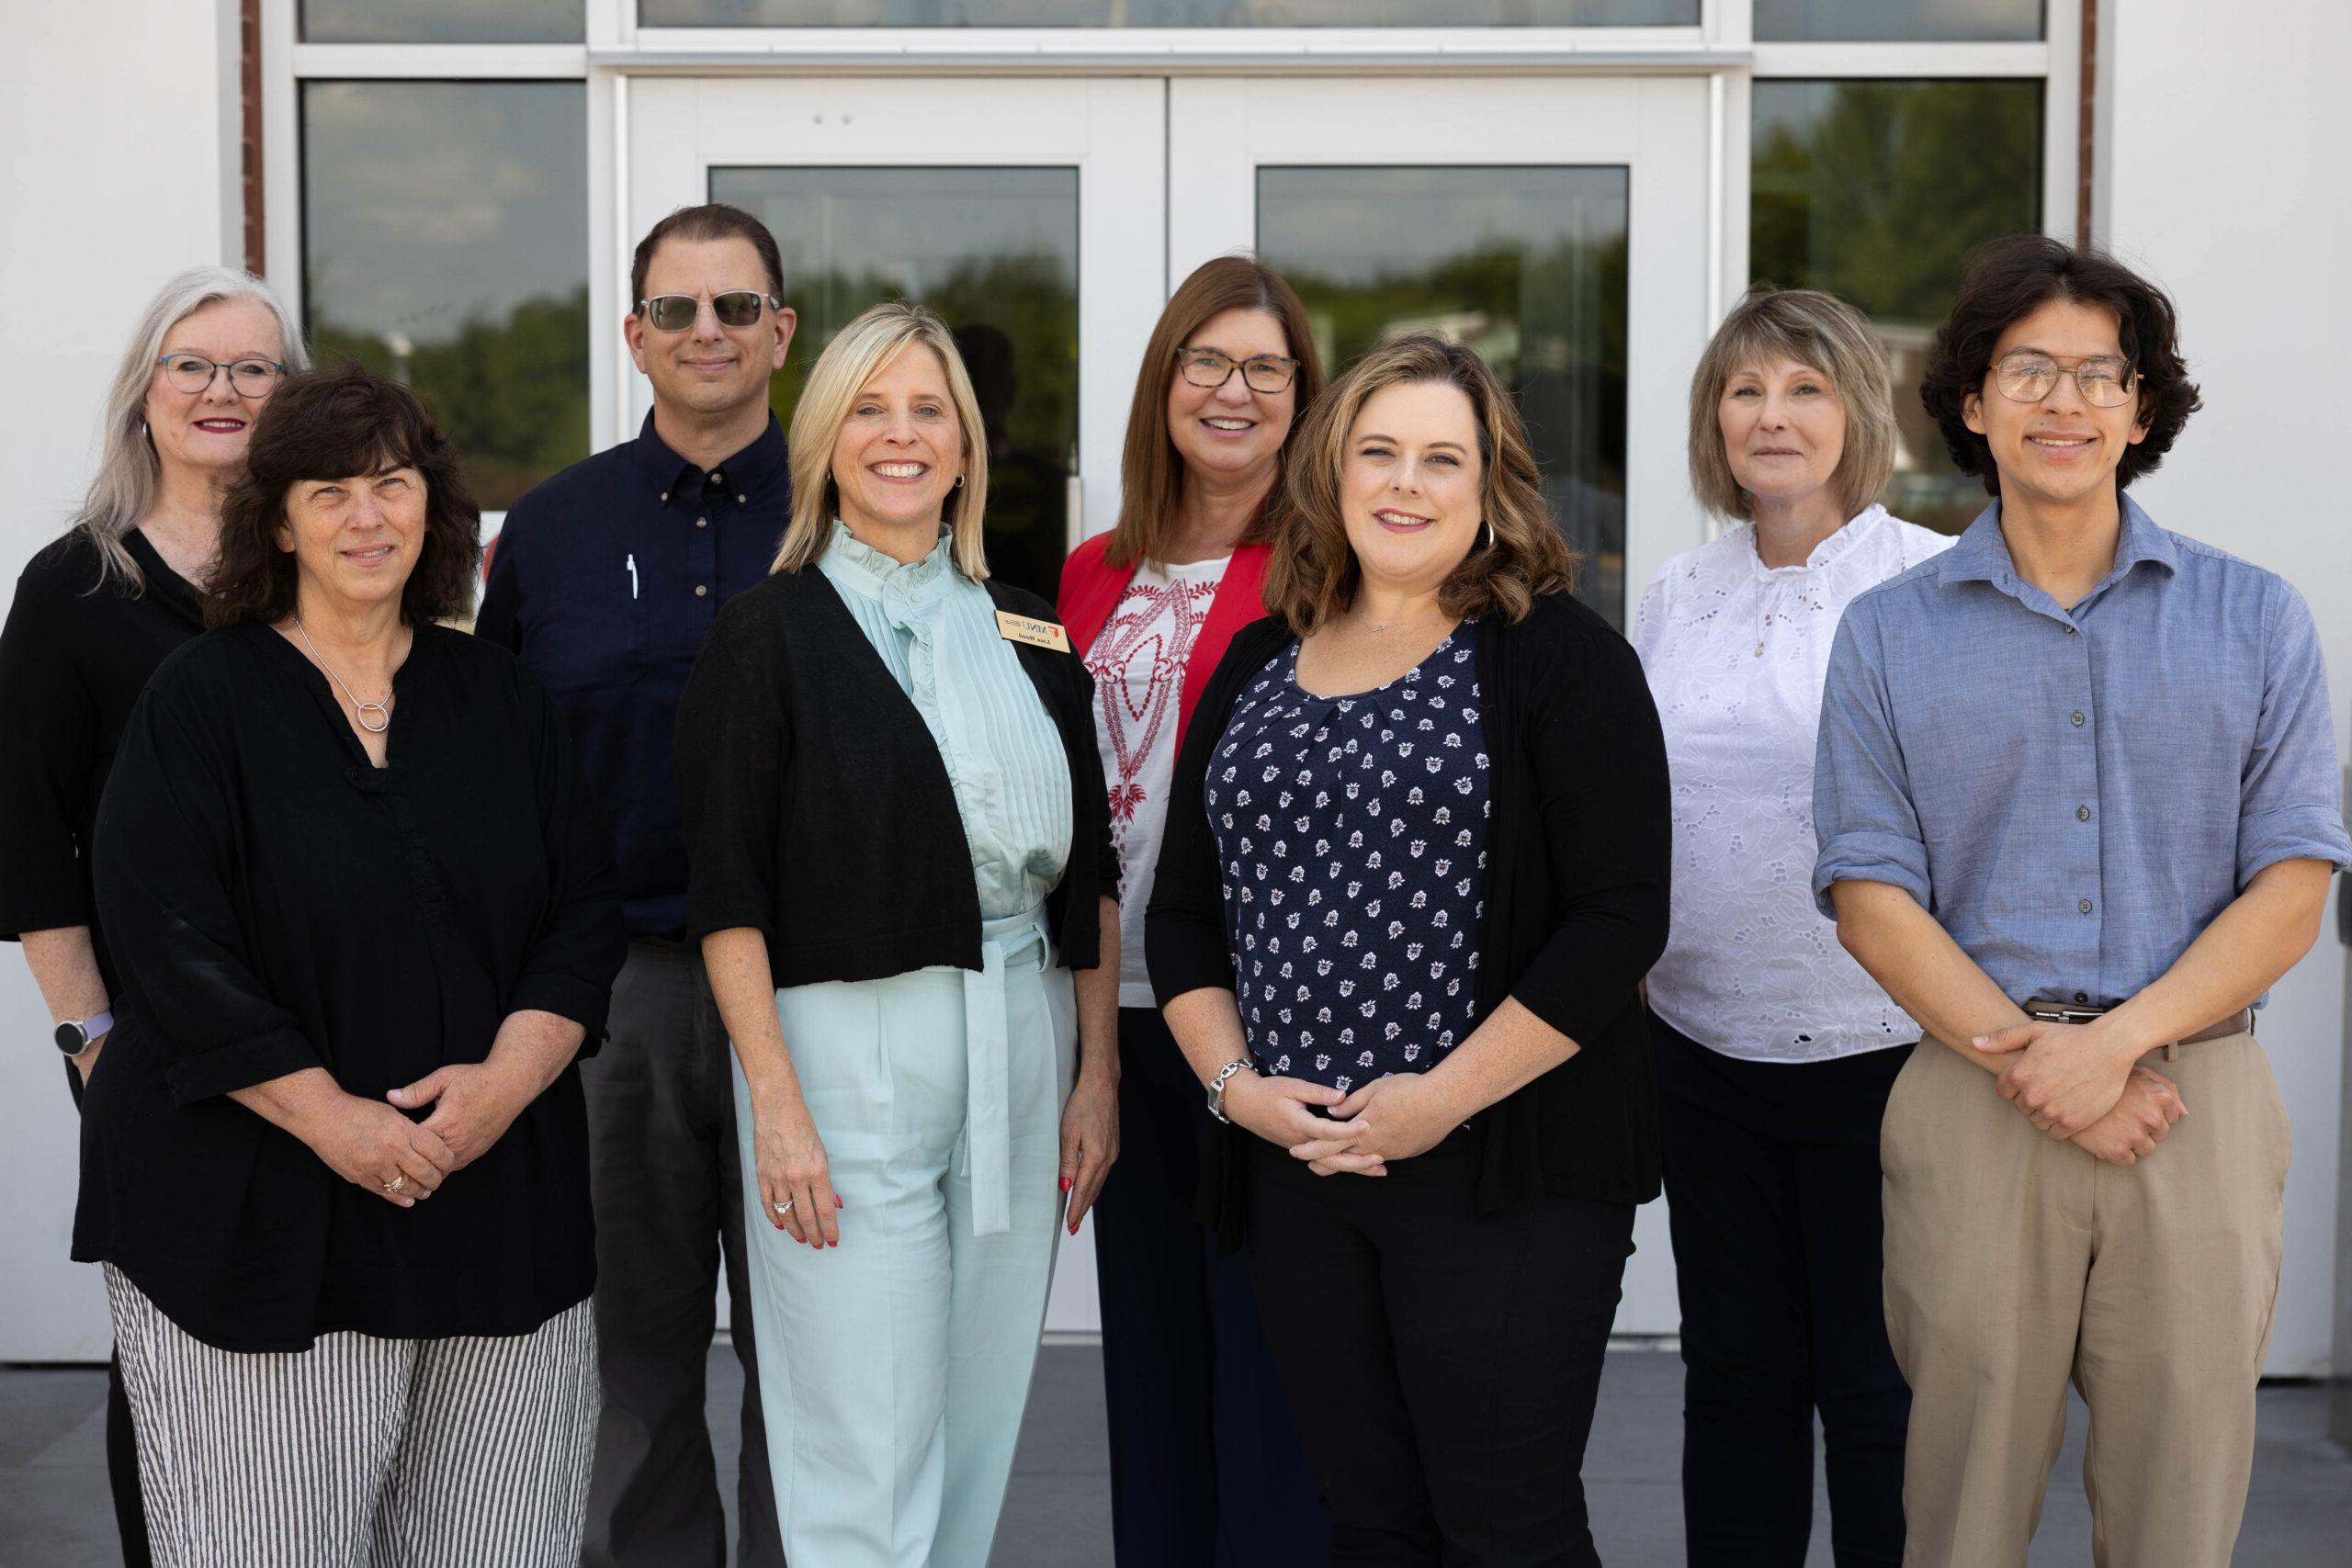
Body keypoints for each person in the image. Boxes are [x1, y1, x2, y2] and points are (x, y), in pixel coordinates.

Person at [1813, 235, 2350, 1567]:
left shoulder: (2255, 617)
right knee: (1959, 1511)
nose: (2066, 401)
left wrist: (2110, 1050)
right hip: (1972, 1100)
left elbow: (2293, 888)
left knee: (2179, 1511)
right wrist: (2042, 1060)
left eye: (2099, 374)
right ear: (1973, 404)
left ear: (2143, 407)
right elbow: (1871, 894)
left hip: (2198, 1100)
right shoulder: (1889, 631)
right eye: (2029, 370)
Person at [74, 363, 625, 1565]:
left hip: (495, 1208)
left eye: (391, 485)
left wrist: (502, 1088)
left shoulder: (499, 696)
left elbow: (585, 910)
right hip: (260, 1219)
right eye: (328, 492)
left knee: (500, 1544)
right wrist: (338, 1124)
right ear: (276, 519)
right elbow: (166, 939)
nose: (366, 517)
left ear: (436, 506)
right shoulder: (200, 699)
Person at [1148, 332, 1671, 1565]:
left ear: (1492, 486)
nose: (1405, 483)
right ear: (1330, 474)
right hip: (1301, 1167)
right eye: (1378, 452)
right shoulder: (1257, 663)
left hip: (1503, 1170)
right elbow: (1184, 914)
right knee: (1369, 1519)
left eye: (1444, 458)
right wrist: (1238, 1094)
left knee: (1507, 1523)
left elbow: (1619, 921)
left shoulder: (1562, 659)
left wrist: (1437, 1103)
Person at [676, 300, 1120, 1568]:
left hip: (1022, 1027)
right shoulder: (765, 634)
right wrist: (776, 1102)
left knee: (976, 1427)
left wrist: (1099, 1071)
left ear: (969, 446)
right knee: (861, 1435)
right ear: (823, 440)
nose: (901, 434)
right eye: (869, 407)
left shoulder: (1031, 628)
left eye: (929, 408)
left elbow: (1087, 874)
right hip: (840, 1049)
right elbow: (728, 896)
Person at [475, 201, 794, 1568]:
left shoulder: (866, 504)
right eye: (678, 309)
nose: (707, 332)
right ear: (635, 334)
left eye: (736, 308)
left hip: (821, 998)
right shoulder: (549, 530)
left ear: (782, 332)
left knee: (824, 1355)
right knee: (629, 1357)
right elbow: (493, 772)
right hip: (624, 999)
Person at [1631, 287, 1952, 1568]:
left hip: (1885, 1050)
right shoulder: (1673, 589)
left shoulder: (1928, 584)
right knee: (1737, 1383)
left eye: (1806, 388)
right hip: (1702, 1048)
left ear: (1856, 412)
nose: (1773, 415)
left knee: (1879, 1394)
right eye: (1747, 388)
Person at [0, 265, 305, 1568]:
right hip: (155, 1034)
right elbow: (26, 837)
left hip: (336, 1017)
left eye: (253, 367)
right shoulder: (74, 586)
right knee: (175, 1343)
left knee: (321, 1340)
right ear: (146, 393)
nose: (222, 390)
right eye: (193, 364)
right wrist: (91, 1040)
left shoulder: (324, 565)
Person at [1056, 254, 1330, 1567]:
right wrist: (1091, 1055)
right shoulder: (1088, 576)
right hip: (1119, 1017)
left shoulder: (1331, 570)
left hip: (1274, 1026)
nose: (1233, 391)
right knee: (1152, 1367)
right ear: (1164, 383)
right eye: (1205, 362)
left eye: (1265, 368)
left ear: (1303, 397)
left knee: (1272, 1377)